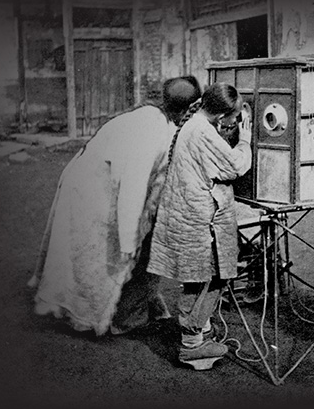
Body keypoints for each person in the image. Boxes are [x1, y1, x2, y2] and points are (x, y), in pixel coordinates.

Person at [31, 76, 203, 336]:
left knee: (120, 250)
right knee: (99, 256)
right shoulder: (152, 131)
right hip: (92, 188)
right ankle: (100, 315)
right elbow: (133, 188)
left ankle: (131, 308)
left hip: (100, 182)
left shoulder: (158, 118)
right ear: (187, 110)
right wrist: (128, 240)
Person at [146, 82, 253, 371]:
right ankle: (192, 345)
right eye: (234, 117)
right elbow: (236, 166)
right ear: (222, 117)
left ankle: (199, 332)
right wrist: (246, 139)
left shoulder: (194, 123)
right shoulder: (204, 131)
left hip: (187, 213)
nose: (235, 122)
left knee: (198, 276)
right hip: (198, 217)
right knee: (211, 276)